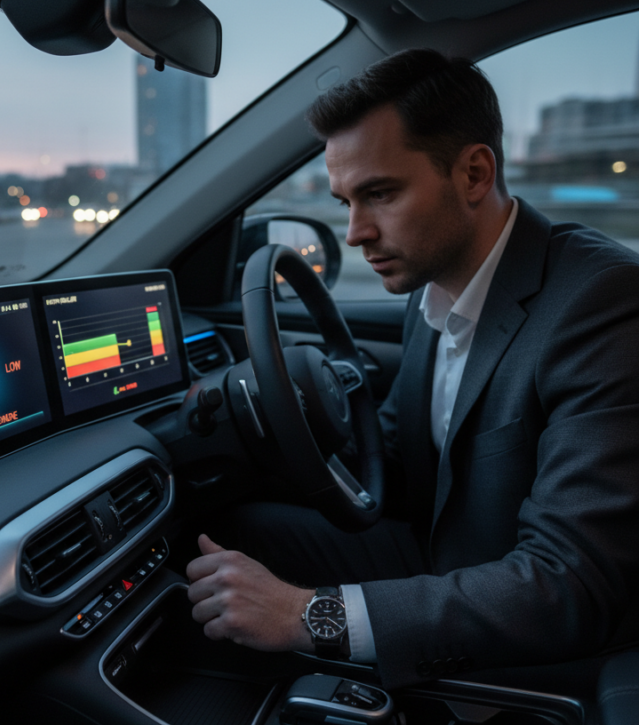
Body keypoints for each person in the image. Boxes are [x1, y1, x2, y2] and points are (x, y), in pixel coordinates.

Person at [186, 48, 639, 690]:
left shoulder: (603, 302)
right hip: (447, 552)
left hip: (562, 643)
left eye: (380, 194)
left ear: (474, 173)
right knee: (234, 532)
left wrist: (306, 616)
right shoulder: (434, 288)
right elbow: (397, 464)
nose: (355, 232)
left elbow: (569, 584)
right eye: (345, 200)